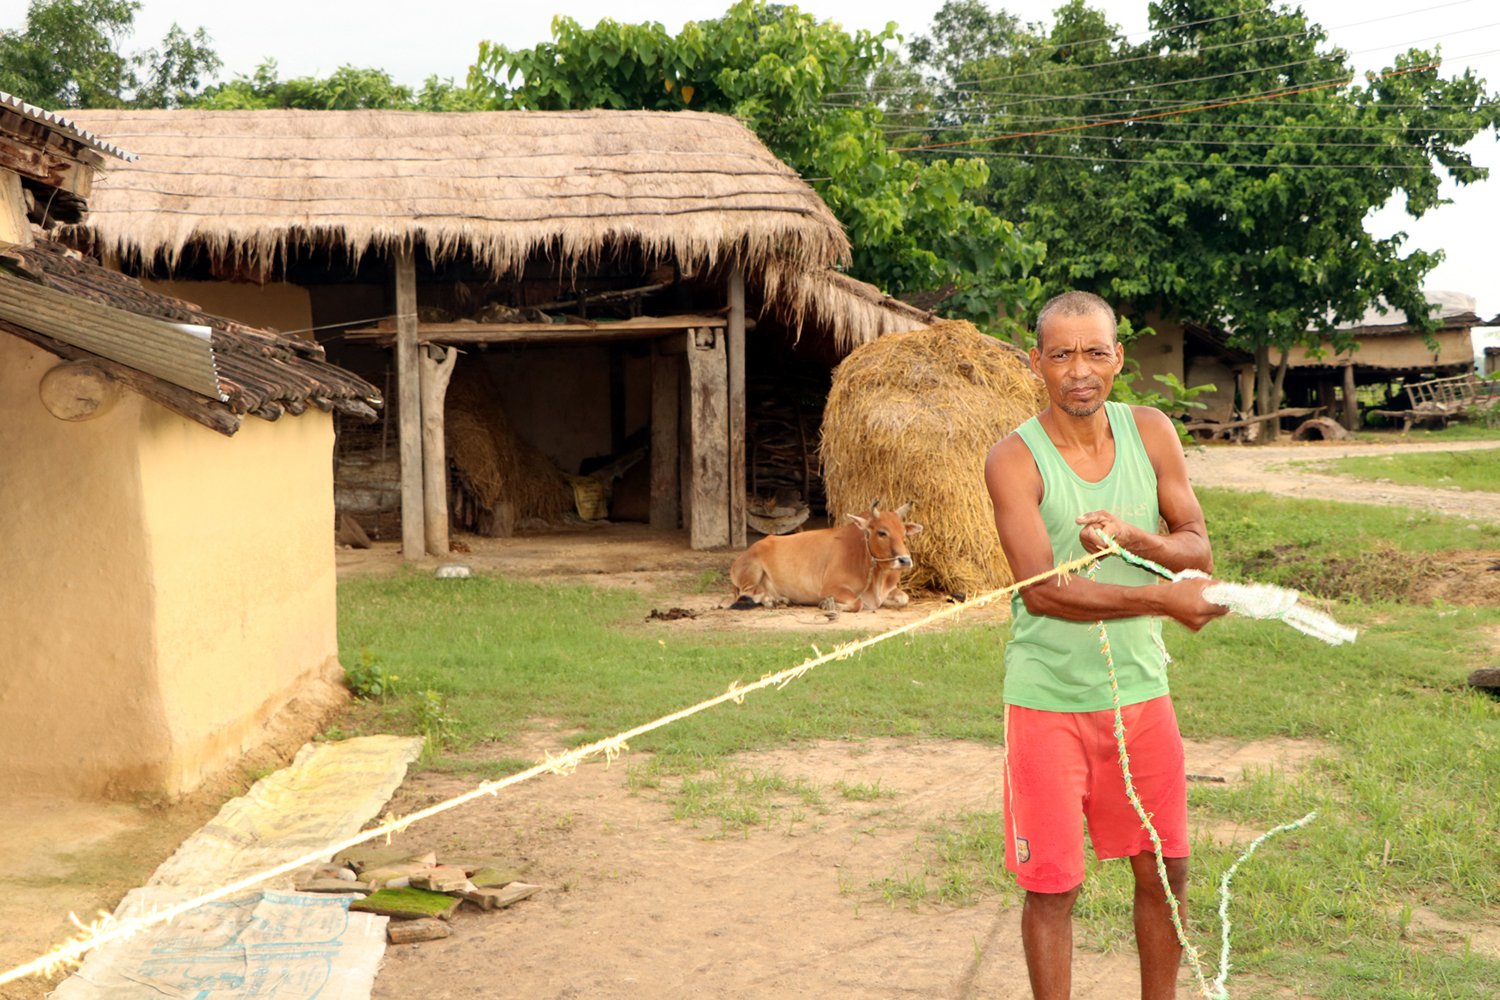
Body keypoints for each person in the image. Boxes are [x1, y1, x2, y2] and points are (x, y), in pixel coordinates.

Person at [983, 290, 1228, 1000]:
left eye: (1095, 352)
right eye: (1061, 354)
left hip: (1142, 698)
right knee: (1053, 889)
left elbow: (1198, 548)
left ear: (1119, 357)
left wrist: (1139, 539)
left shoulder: (1151, 432)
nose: (1079, 370)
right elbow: (1043, 592)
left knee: (1164, 869)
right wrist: (1162, 597)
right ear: (1037, 363)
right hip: (1047, 704)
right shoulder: (1013, 460)